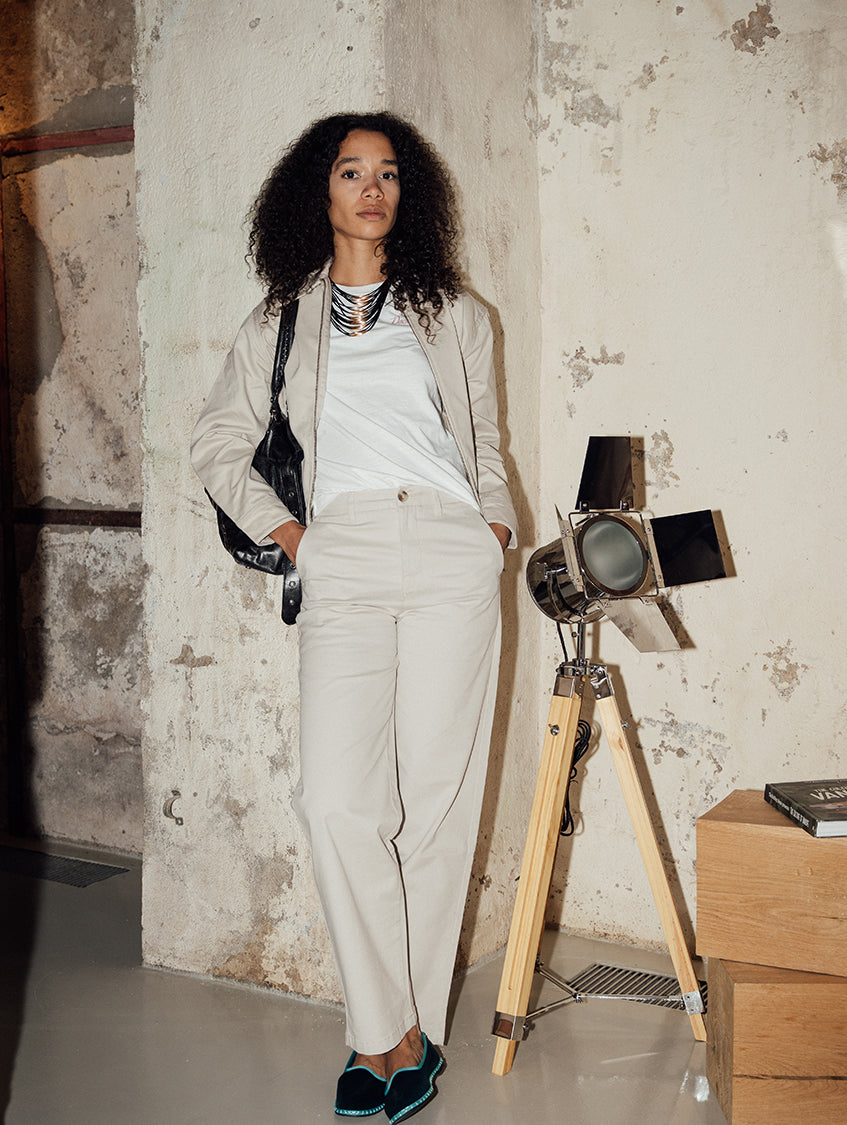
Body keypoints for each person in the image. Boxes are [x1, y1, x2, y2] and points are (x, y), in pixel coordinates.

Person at [191, 112, 516, 1122]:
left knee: (436, 799)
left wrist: (495, 528)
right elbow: (215, 445)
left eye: (386, 173)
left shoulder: (458, 313)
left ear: (405, 195)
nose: (370, 188)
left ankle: (394, 1040)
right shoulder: (278, 322)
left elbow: (488, 439)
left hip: (453, 552)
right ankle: (388, 1030)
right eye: (349, 171)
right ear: (317, 193)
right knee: (338, 802)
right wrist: (293, 537)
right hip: (345, 548)